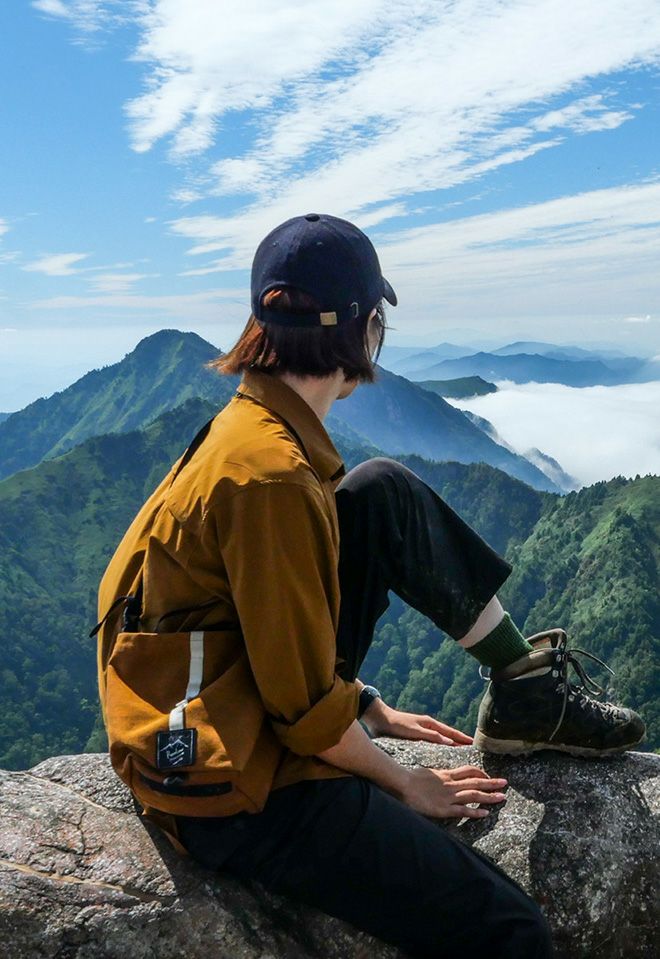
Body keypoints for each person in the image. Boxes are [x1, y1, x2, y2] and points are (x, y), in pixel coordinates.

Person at [96, 213, 644, 959]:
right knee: (512, 932)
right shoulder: (270, 478)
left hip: (226, 694)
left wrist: (366, 707)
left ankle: (525, 686)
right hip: (228, 785)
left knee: (379, 490)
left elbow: (250, 616)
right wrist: (402, 782)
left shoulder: (251, 428)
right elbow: (299, 713)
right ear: (363, 328)